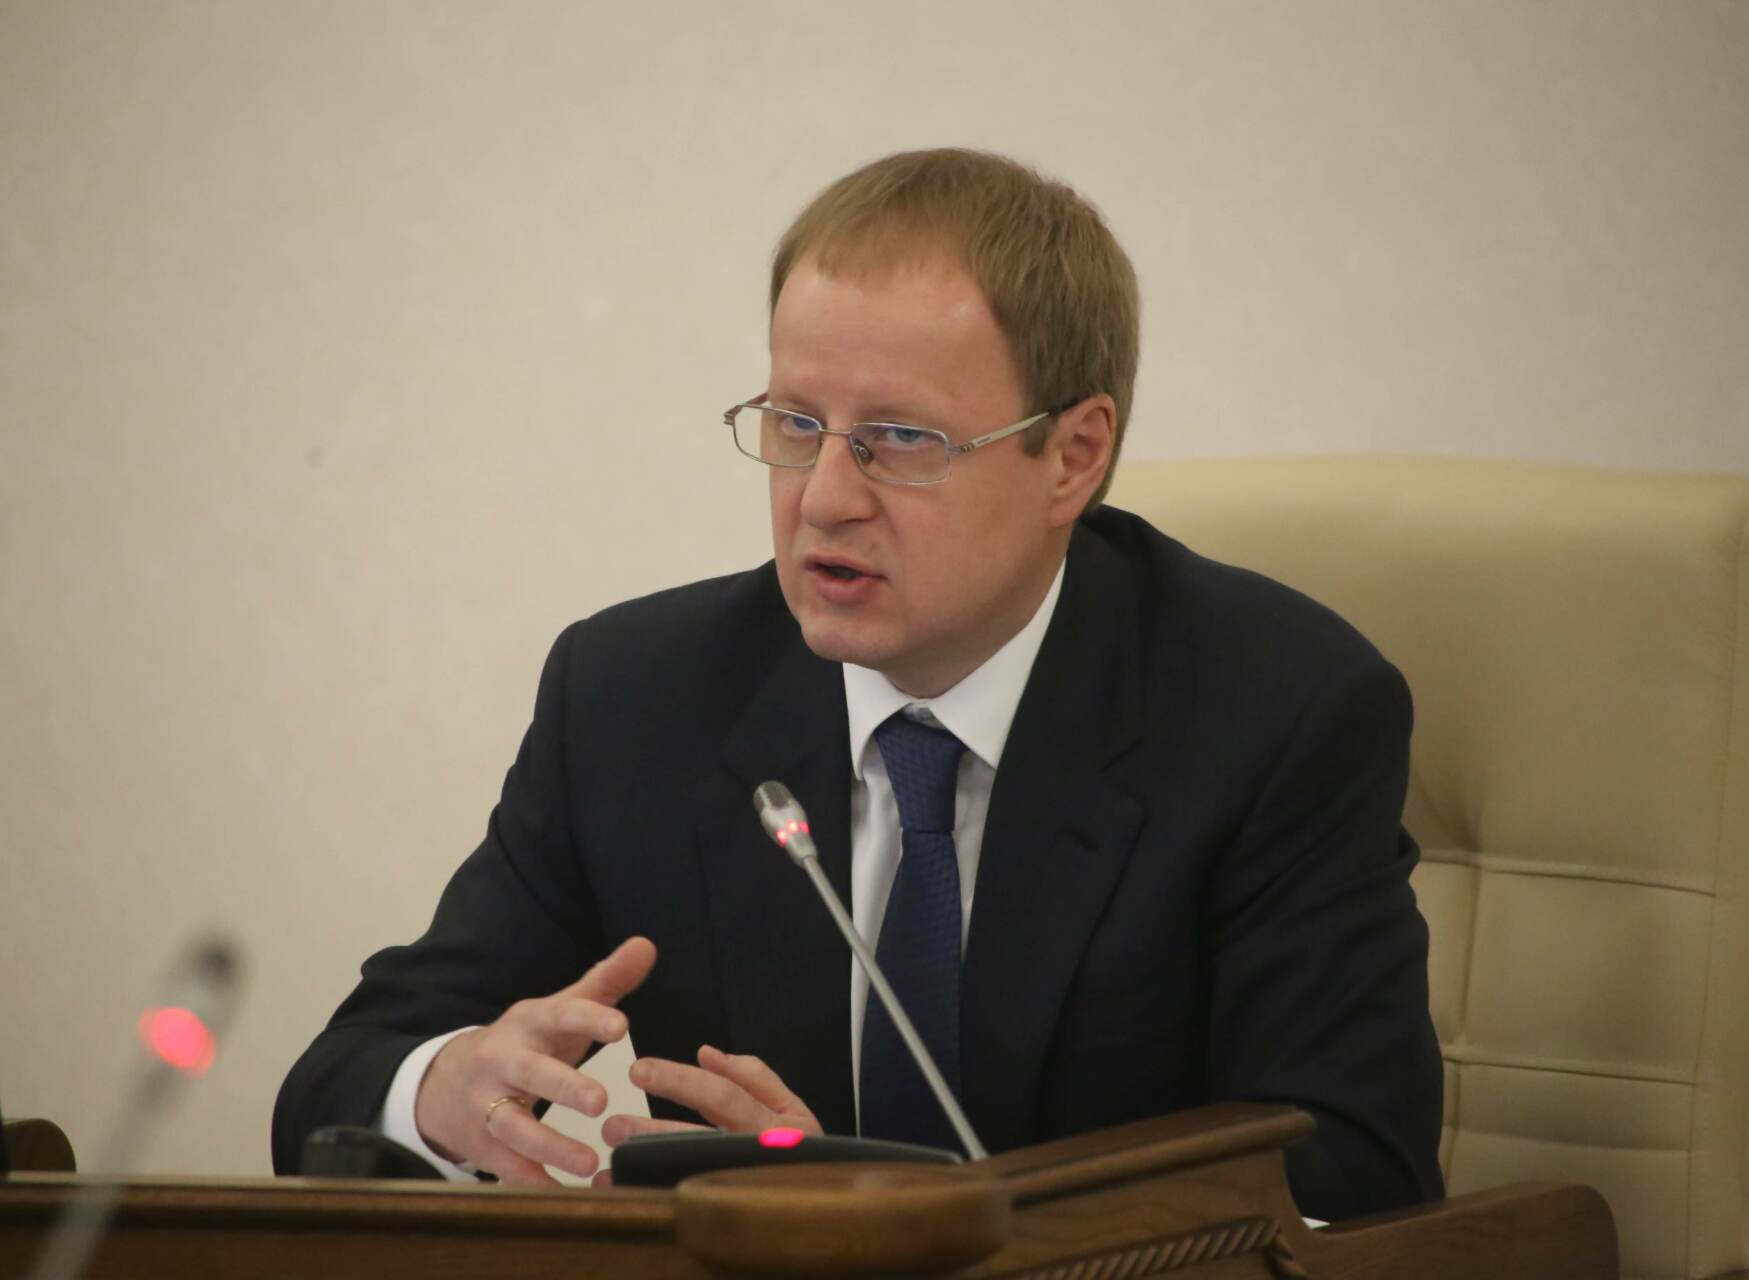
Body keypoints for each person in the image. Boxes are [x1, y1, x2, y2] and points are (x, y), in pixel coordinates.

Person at [272, 148, 1444, 1221]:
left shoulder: (1277, 714)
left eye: (900, 438)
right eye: (796, 423)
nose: (825, 497)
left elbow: (1355, 1169)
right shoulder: (637, 697)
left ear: (1073, 456)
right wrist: (446, 1088)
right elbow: (335, 1085)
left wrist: (898, 1207)